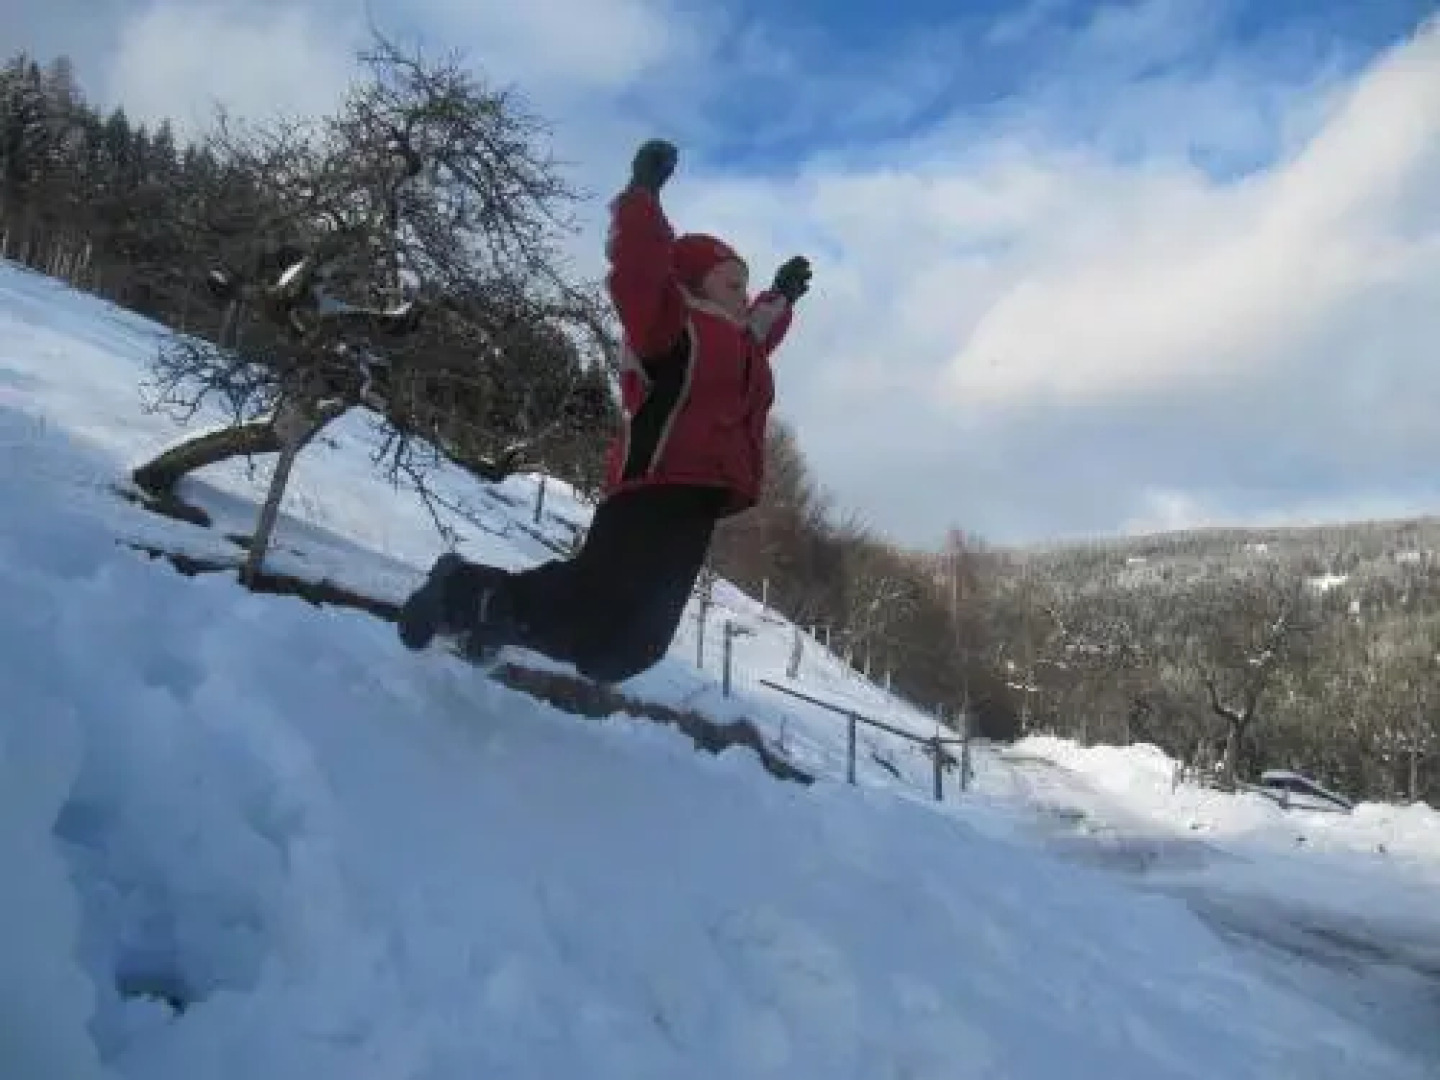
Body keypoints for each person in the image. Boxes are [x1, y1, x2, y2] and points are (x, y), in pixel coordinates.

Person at [396, 138, 813, 683]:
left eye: (746, 287)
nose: (743, 294)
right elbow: (639, 270)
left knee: (625, 652)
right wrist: (643, 196)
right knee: (594, 607)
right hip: (653, 485)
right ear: (693, 284)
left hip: (702, 501)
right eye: (732, 283)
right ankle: (460, 592)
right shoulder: (668, 323)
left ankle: (491, 622)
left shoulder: (739, 345)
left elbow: (755, 333)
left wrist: (780, 296)